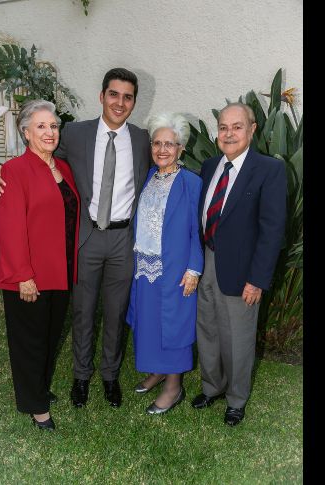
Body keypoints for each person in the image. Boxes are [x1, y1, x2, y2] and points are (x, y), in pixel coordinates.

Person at [0, 68, 152, 409]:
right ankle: (81, 376)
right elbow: (35, 153)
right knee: (81, 312)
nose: (120, 102)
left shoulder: (142, 139)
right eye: (114, 94)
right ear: (102, 96)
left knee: (115, 312)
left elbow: (166, 164)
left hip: (124, 239)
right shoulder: (76, 133)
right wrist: (1, 172)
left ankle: (110, 376)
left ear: (134, 102)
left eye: (127, 97)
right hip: (86, 239)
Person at [191, 103, 287, 426]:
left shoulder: (269, 170)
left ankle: (236, 398)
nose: (229, 133)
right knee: (208, 330)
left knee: (238, 338)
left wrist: (257, 279)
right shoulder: (208, 166)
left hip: (243, 271)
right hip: (207, 261)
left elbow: (272, 230)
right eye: (223, 127)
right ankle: (212, 386)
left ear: (252, 129)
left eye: (237, 126)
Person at [0, 100, 80, 431]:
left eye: (53, 126)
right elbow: (10, 228)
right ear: (26, 132)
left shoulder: (63, 168)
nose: (49, 132)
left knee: (48, 336)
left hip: (60, 270)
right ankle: (35, 407)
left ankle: (39, 387)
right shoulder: (15, 171)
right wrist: (23, 276)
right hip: (29, 275)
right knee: (29, 340)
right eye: (41, 126)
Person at [126, 113, 203, 414]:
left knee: (174, 326)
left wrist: (194, 268)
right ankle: (157, 371)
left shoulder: (191, 183)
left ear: (181, 148)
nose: (162, 150)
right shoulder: (147, 177)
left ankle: (174, 387)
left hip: (177, 270)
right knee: (148, 323)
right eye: (157, 143)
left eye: (169, 144)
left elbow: (198, 230)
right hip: (144, 267)